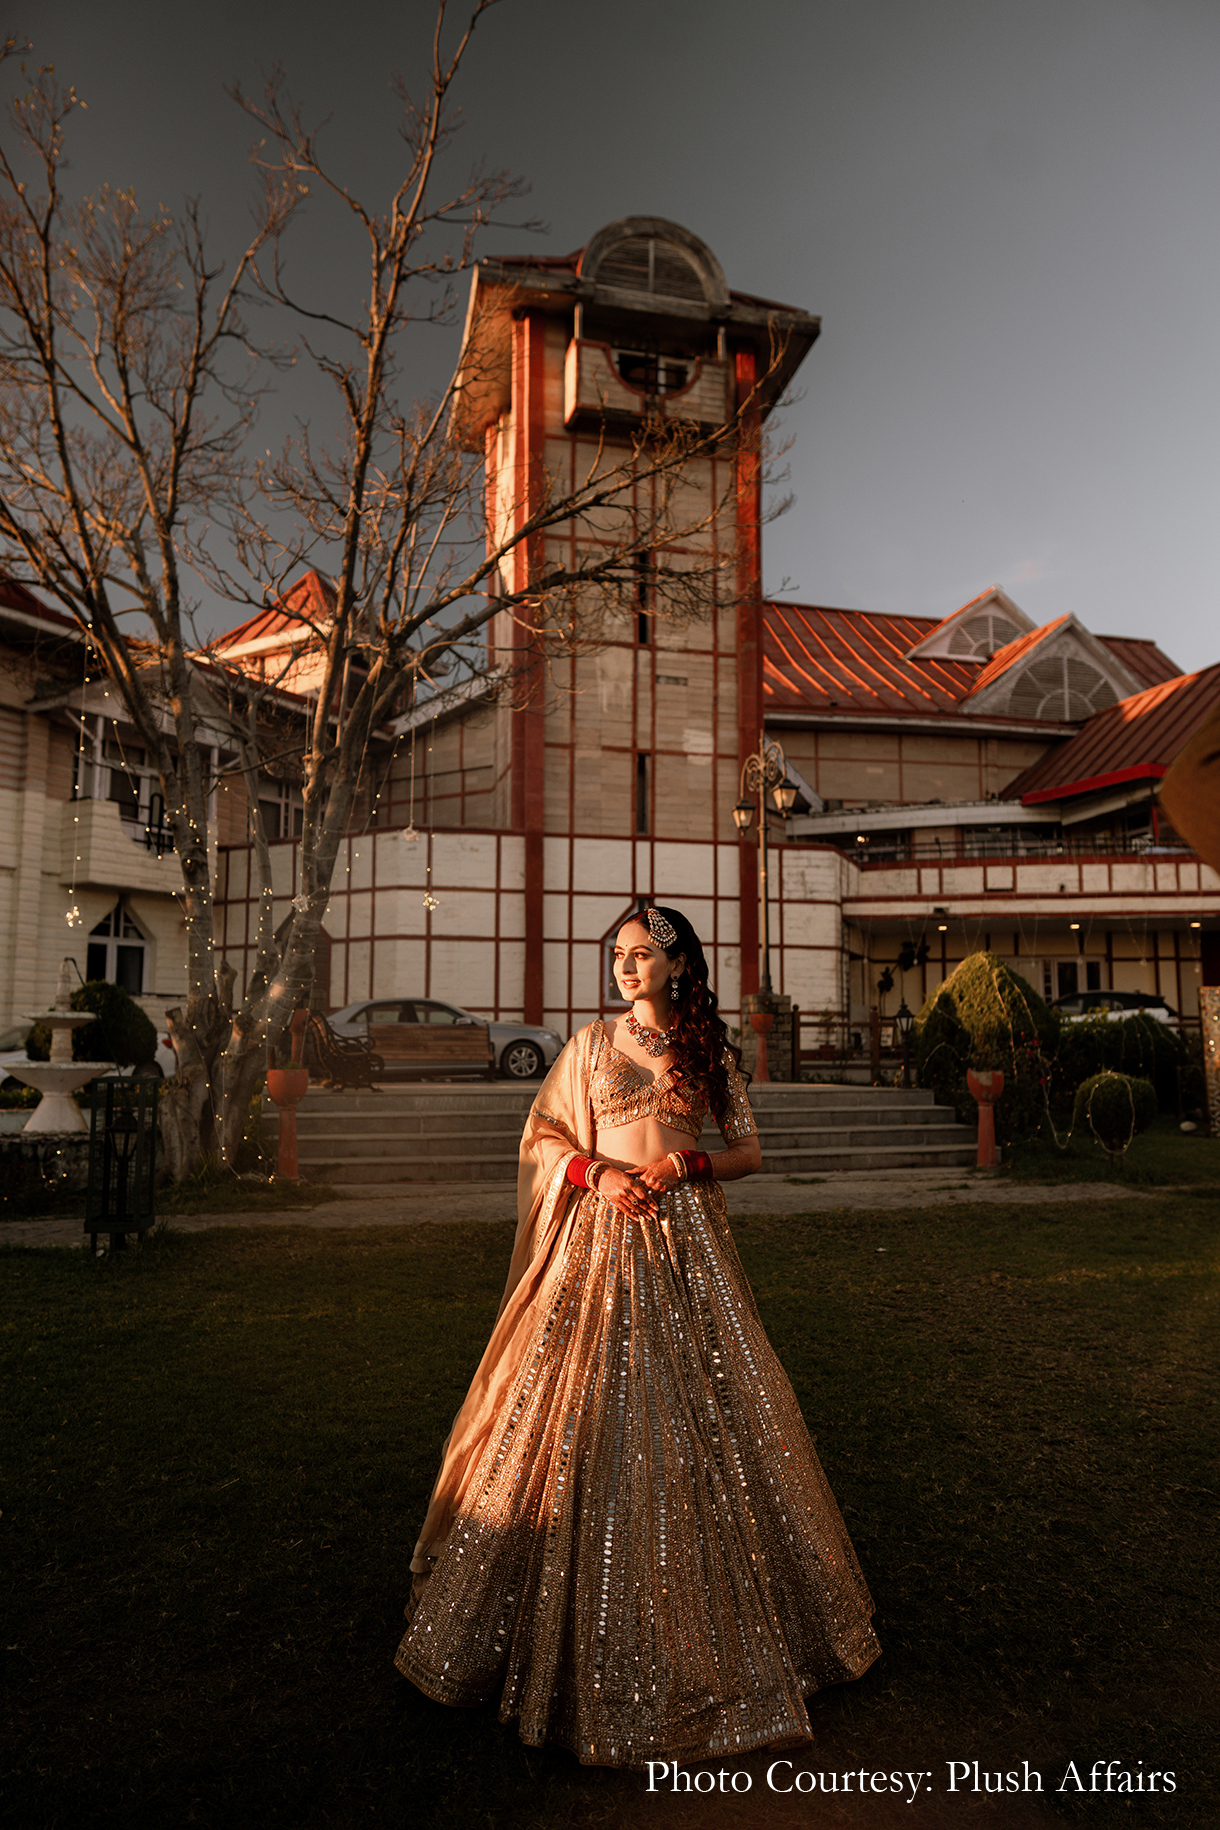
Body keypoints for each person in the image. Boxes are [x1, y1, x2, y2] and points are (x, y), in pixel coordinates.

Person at [395, 905, 880, 1766]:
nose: (624, 967)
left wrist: (686, 1164)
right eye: (616, 955)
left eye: (641, 955)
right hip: (599, 1240)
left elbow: (751, 1152)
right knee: (575, 1402)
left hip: (688, 1245)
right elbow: (542, 1137)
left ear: (679, 964)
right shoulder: (585, 1048)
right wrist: (596, 1172)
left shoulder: (709, 1053)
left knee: (715, 1405)